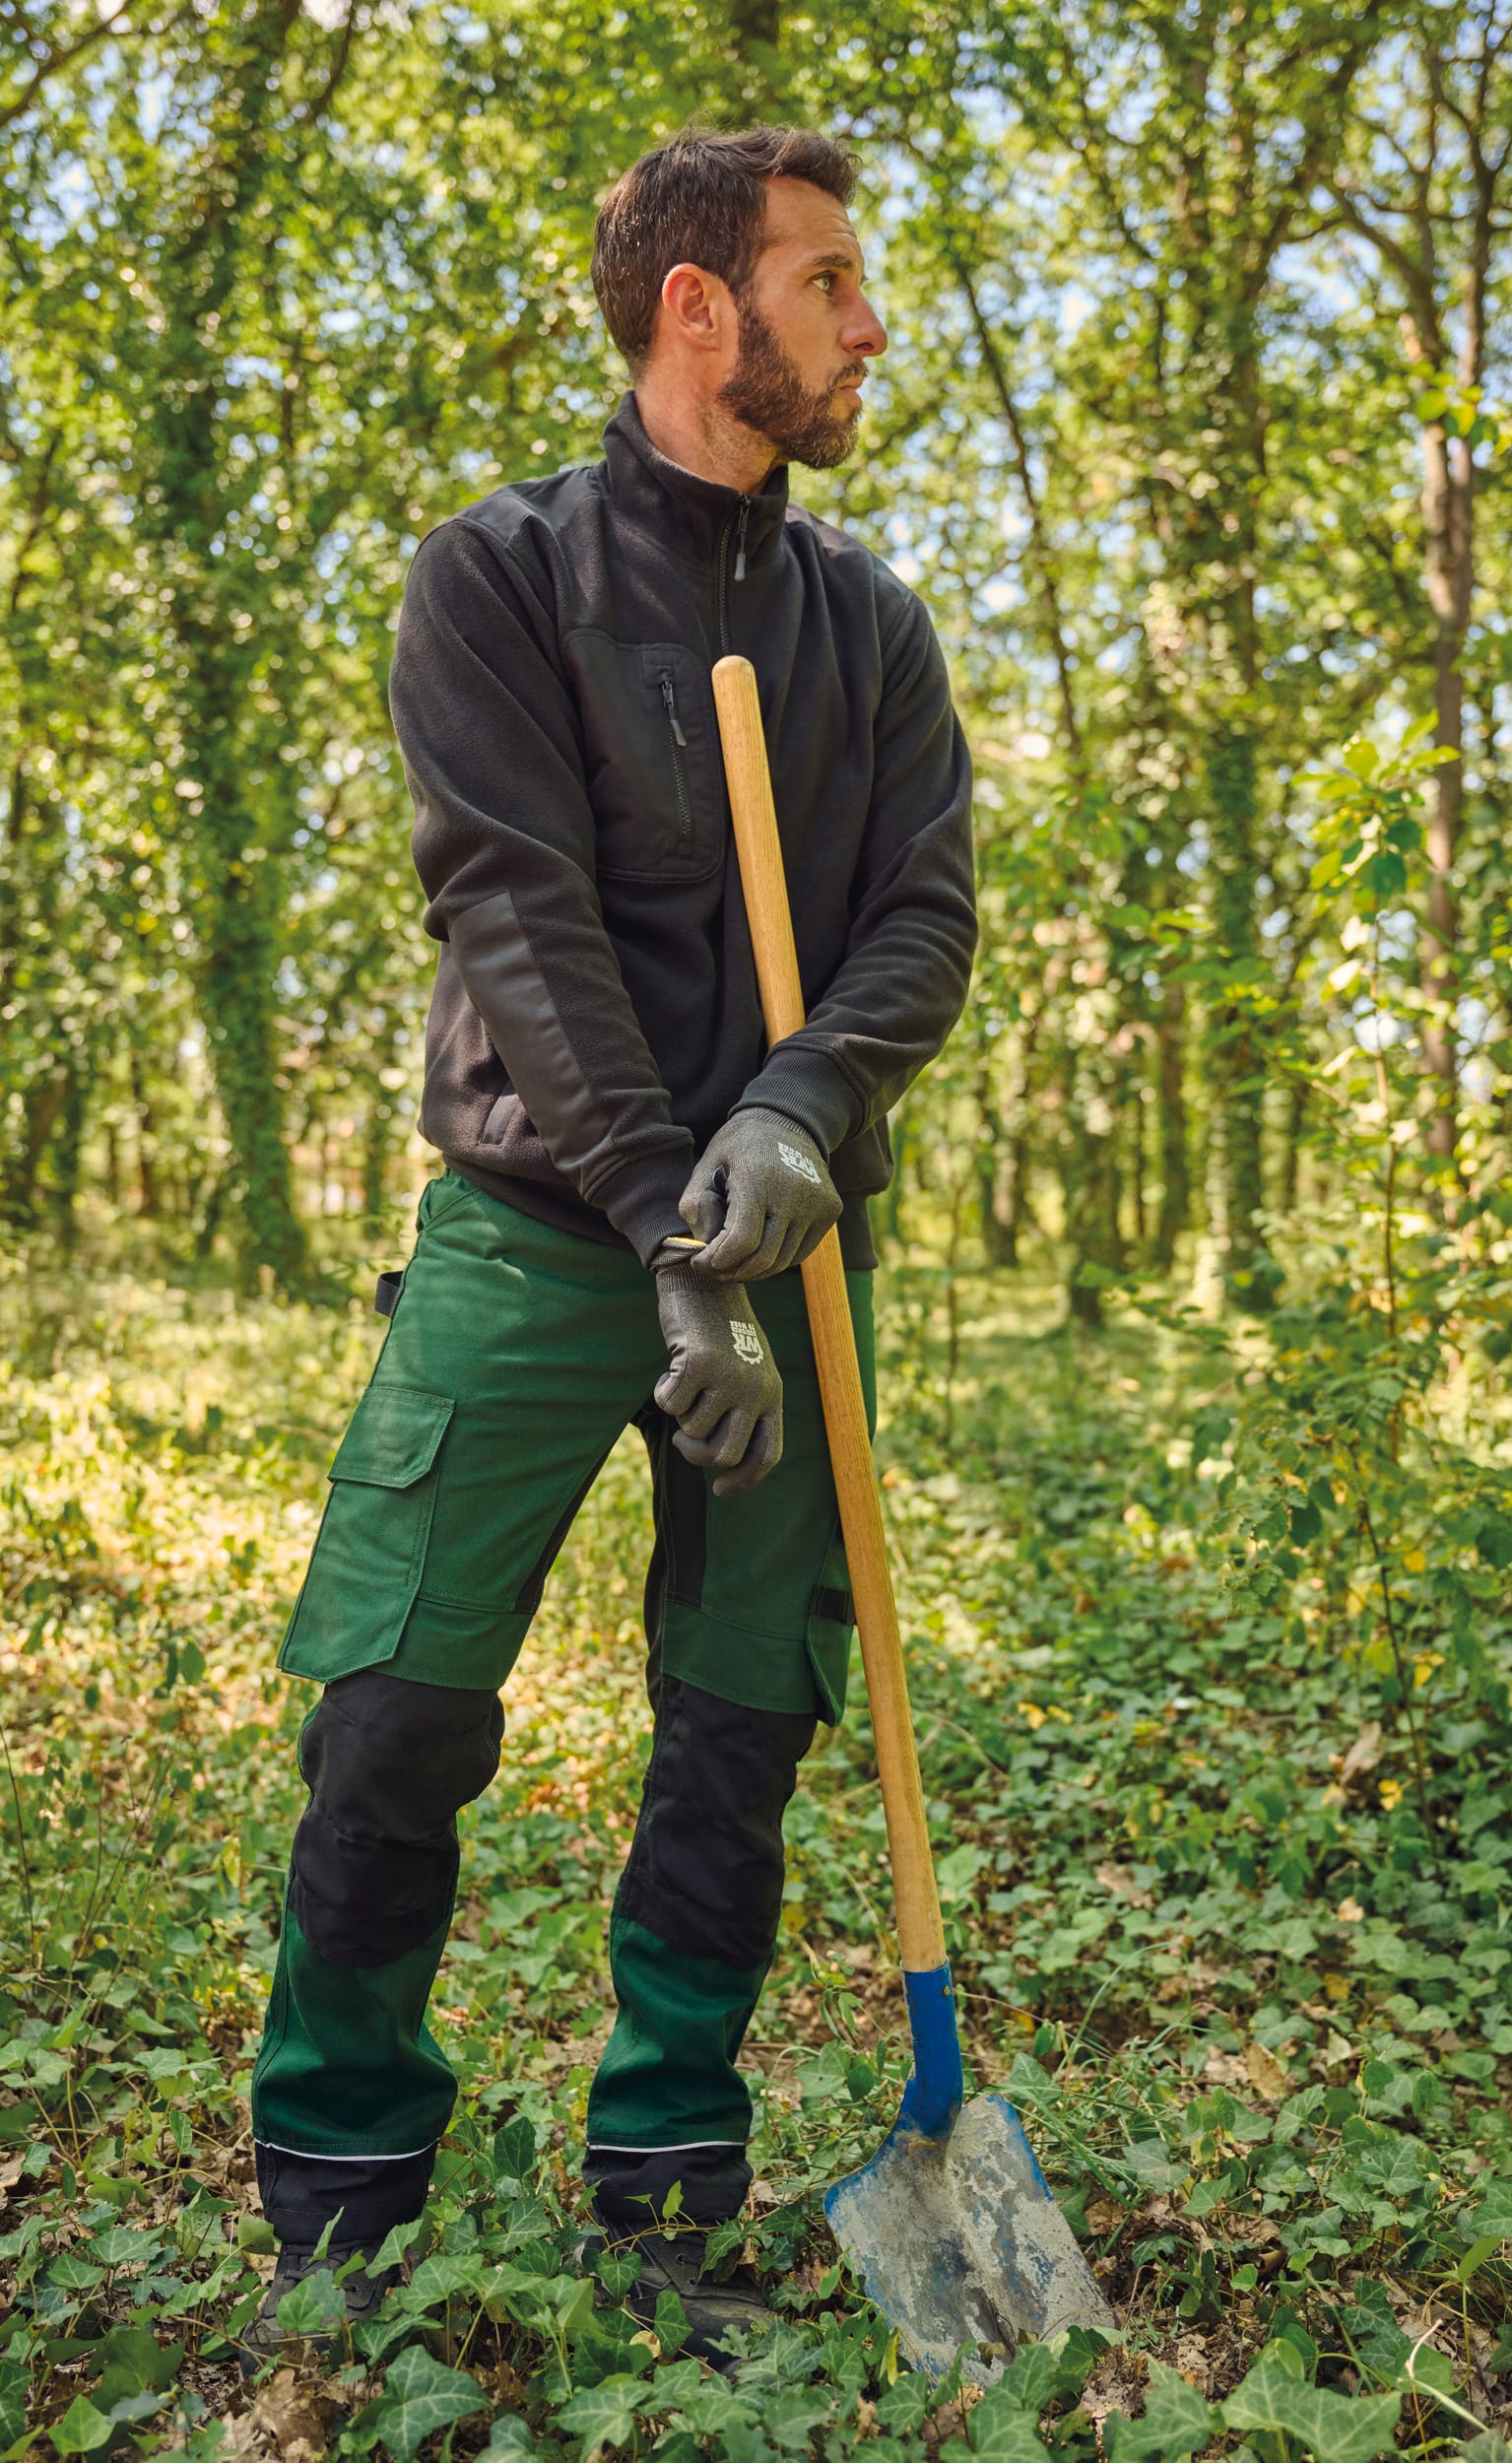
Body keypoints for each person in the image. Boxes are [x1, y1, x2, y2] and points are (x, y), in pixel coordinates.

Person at [244, 122, 976, 2368]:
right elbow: (516, 916)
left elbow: (924, 920)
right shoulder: (498, 579)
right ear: (698, 308)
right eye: (828, 278)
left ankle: (669, 2171)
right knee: (392, 1705)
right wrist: (672, 1227)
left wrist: (794, 1114)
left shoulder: (868, 623)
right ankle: (346, 2175)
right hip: (534, 1232)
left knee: (739, 1726)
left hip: (797, 1240)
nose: (869, 324)